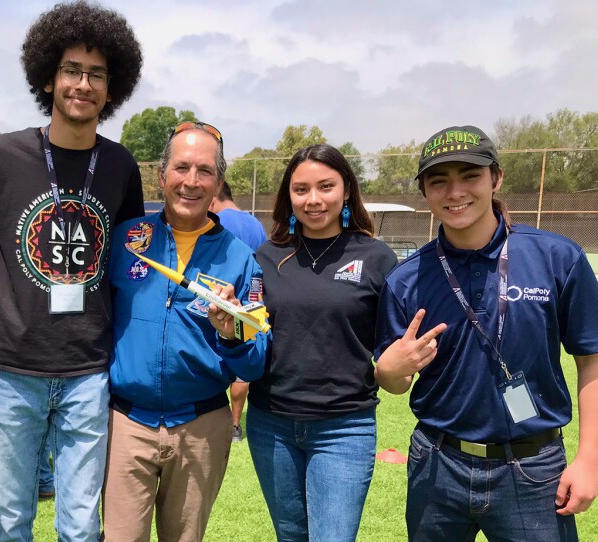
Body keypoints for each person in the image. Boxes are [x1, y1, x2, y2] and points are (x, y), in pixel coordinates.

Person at [0, 3, 144, 540]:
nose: (83, 83)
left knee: (81, 526)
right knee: (12, 521)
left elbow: (131, 259)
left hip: (88, 369)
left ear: (113, 87)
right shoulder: (3, 156)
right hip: (11, 368)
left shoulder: (123, 166)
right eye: (71, 70)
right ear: (48, 77)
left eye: (97, 73)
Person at [375, 125, 598, 541]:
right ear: (424, 192)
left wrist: (590, 460)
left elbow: (593, 360)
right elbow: (395, 382)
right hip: (436, 463)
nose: (455, 191)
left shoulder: (556, 257)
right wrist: (387, 371)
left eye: (470, 176)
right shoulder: (405, 279)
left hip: (533, 466)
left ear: (495, 179)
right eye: (439, 181)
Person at [102, 121, 267, 542]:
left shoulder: (240, 258)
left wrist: (231, 335)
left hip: (200, 426)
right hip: (126, 423)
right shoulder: (126, 240)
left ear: (218, 182)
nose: (191, 181)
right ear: (161, 175)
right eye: (181, 168)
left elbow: (257, 358)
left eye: (205, 171)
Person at [246, 144, 397, 541]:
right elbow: (253, 334)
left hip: (343, 427)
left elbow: (392, 344)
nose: (313, 200)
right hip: (271, 424)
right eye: (301, 189)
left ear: (346, 189)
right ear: (288, 196)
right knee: (290, 536)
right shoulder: (266, 256)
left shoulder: (377, 257)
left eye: (325, 186)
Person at [210, 180, 267, 442]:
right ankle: (235, 424)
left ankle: (223, 419)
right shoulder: (255, 223)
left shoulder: (218, 220)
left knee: (224, 350)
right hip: (254, 295)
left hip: (224, 298)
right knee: (244, 357)